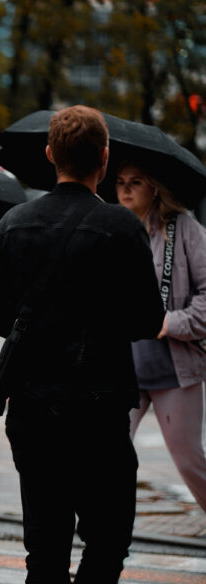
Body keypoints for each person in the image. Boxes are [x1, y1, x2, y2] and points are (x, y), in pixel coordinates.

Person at [0, 105, 164, 584]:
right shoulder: (123, 228)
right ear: (104, 160)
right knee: (109, 539)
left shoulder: (13, 224)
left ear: (50, 156)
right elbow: (147, 318)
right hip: (100, 409)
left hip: (32, 409)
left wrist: (38, 324)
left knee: (45, 551)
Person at [115, 161, 206, 514]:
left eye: (136, 182)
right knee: (109, 452)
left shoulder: (183, 229)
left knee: (188, 461)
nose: (125, 190)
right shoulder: (114, 230)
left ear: (154, 187)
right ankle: (104, 525)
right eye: (120, 182)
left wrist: (172, 321)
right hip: (124, 370)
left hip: (173, 368)